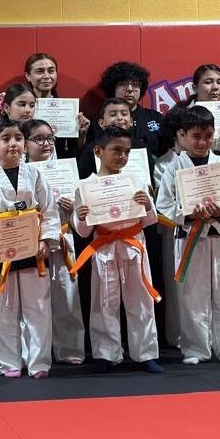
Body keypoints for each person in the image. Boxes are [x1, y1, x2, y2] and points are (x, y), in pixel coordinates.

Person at [156, 105, 220, 366]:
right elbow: (163, 206)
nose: (202, 142)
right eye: (196, 136)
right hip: (188, 239)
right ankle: (196, 348)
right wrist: (187, 213)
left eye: (208, 136)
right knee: (191, 295)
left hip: (219, 237)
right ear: (183, 135)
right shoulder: (173, 169)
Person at [71, 125, 162, 374]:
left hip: (134, 245)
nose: (122, 156)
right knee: (103, 302)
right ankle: (104, 354)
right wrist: (80, 216)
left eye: (126, 152)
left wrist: (147, 205)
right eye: (116, 150)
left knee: (141, 301)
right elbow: (82, 232)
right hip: (104, 248)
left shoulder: (136, 180)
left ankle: (146, 354)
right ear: (98, 151)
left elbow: (150, 221)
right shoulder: (85, 186)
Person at [0, 119, 59, 378]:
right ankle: (9, 361)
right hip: (2, 249)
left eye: (18, 139)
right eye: (5, 139)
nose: (13, 144)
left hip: (33, 247)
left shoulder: (35, 174)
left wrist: (47, 240)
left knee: (38, 306)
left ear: (25, 144)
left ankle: (39, 362)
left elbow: (49, 210)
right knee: (5, 307)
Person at [24, 120, 86, 366]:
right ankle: (36, 352)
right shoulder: (20, 171)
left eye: (49, 138)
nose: (46, 143)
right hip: (32, 242)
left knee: (66, 296)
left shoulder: (65, 169)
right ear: (26, 143)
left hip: (62, 238)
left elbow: (83, 212)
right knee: (33, 301)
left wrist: (73, 209)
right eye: (38, 139)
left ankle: (70, 349)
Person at [98, 61, 162, 152]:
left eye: (135, 85)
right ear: (113, 88)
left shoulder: (155, 118)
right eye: (123, 84)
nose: (130, 89)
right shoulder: (102, 118)